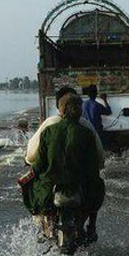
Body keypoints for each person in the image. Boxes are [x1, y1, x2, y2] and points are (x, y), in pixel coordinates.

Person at [23, 93, 105, 243]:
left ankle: (42, 228)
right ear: (80, 110)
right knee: (98, 187)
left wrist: (30, 174)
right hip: (78, 184)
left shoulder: (48, 129)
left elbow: (39, 164)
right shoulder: (87, 131)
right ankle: (91, 227)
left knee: (30, 189)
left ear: (60, 110)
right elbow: (95, 164)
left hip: (51, 185)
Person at [25, 86, 104, 168]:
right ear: (79, 107)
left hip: (53, 177)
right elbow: (100, 158)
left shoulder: (49, 124)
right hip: (82, 177)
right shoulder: (87, 126)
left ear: (59, 106)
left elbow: (31, 156)